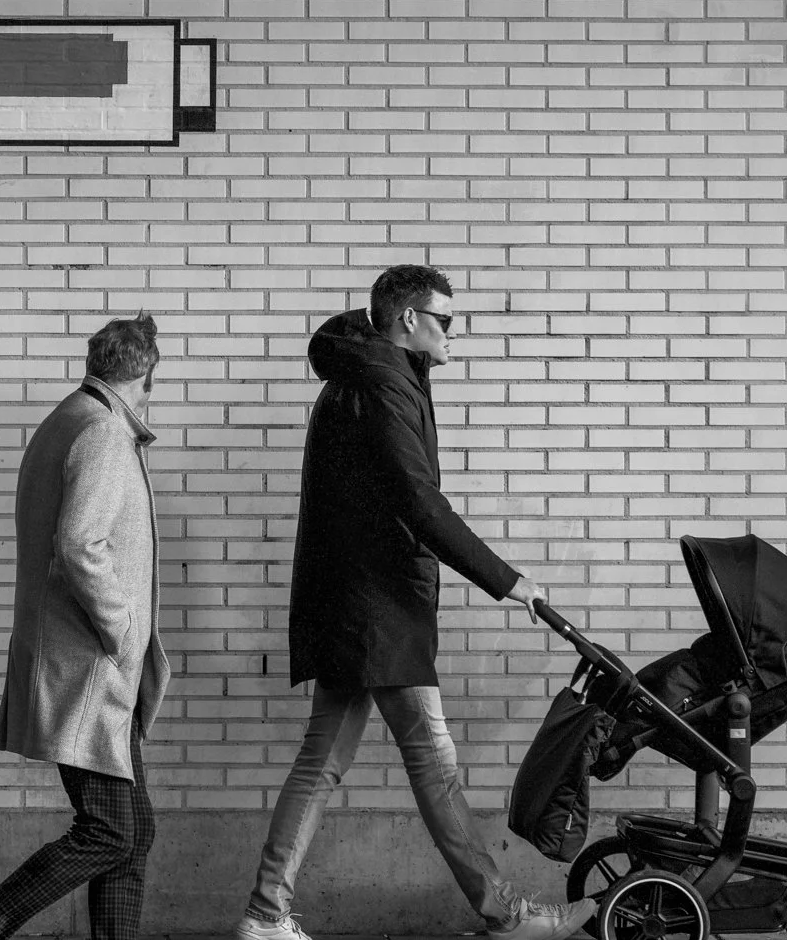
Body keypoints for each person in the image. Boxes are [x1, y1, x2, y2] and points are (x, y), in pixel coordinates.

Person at [234, 266, 596, 940]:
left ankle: (264, 912)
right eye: (445, 320)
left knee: (321, 763)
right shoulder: (381, 383)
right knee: (433, 761)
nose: (452, 333)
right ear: (408, 320)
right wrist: (507, 579)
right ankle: (505, 915)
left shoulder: (367, 376)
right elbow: (420, 502)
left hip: (359, 608)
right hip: (379, 612)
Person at [0, 314, 171, 940]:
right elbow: (81, 544)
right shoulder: (104, 433)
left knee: (132, 832)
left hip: (76, 660)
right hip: (88, 666)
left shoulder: (65, 419)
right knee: (112, 830)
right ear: (147, 371)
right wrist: (123, 629)